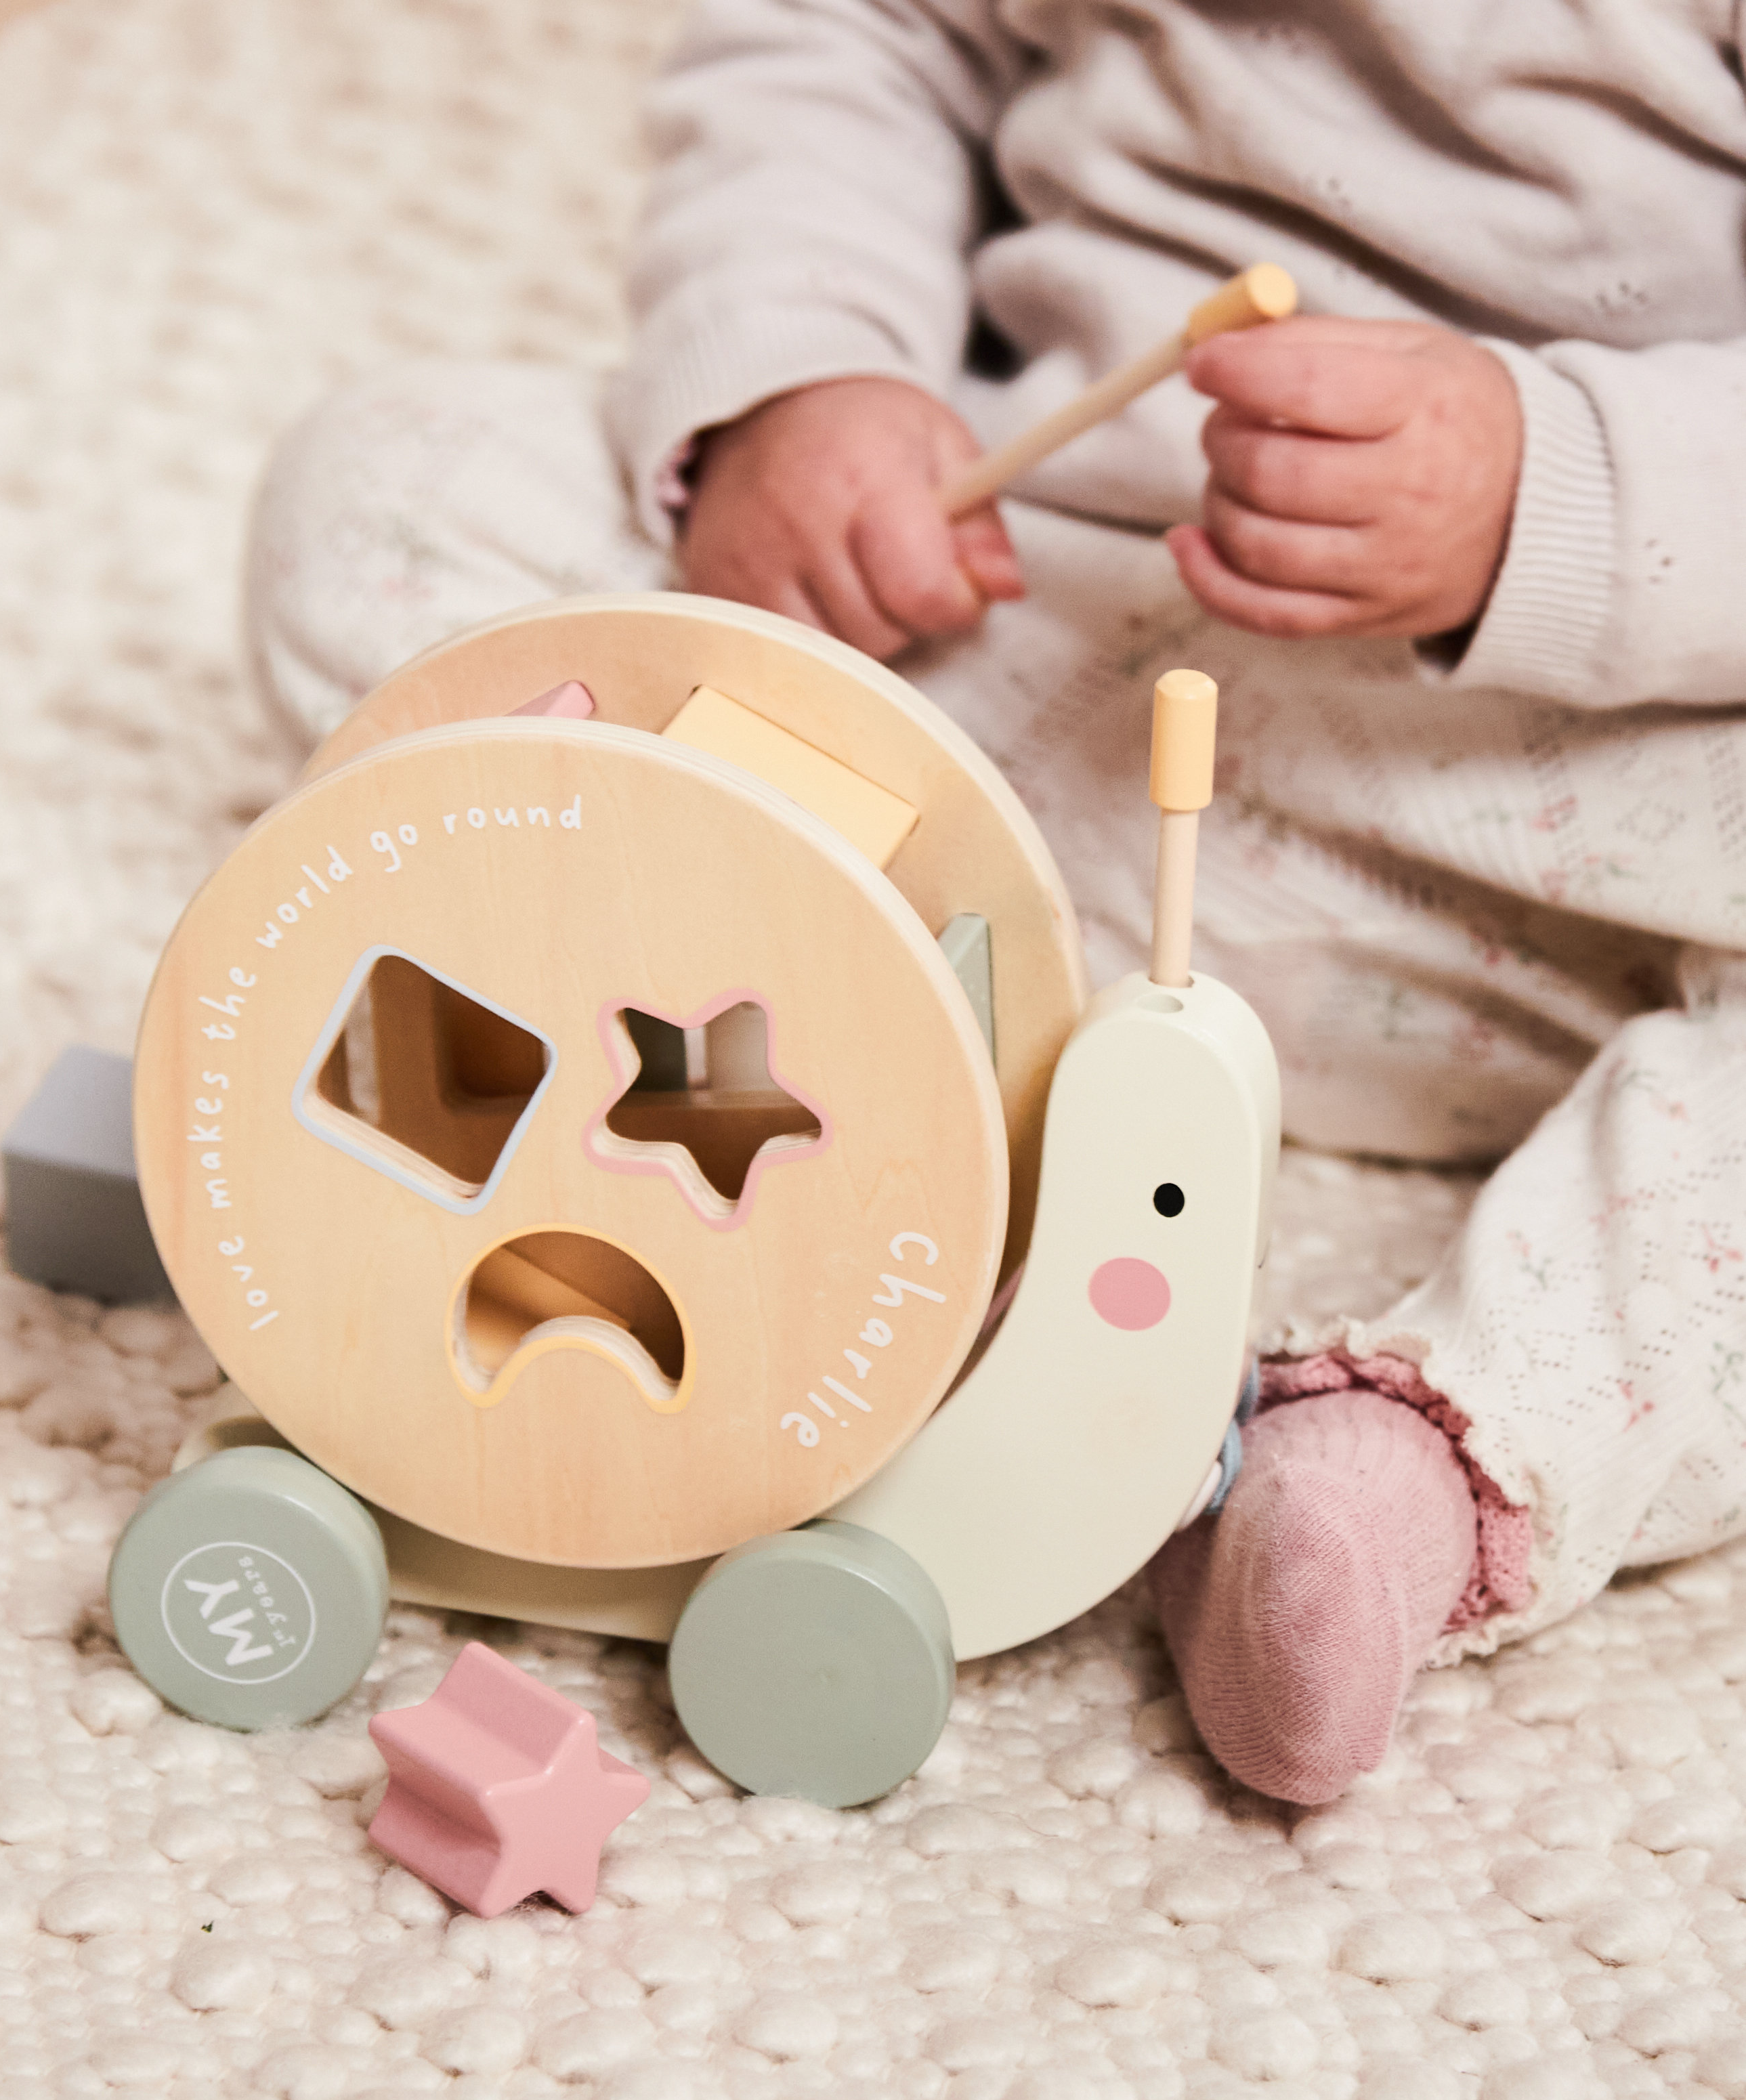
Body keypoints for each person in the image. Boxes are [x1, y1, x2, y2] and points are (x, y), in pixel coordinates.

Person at [244, 1, 1746, 1804]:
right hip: (997, 644)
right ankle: (718, 1054)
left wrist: (1555, 489)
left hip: (1565, 809)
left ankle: (1410, 1462)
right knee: (389, 490)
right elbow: (849, 37)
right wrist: (801, 386)